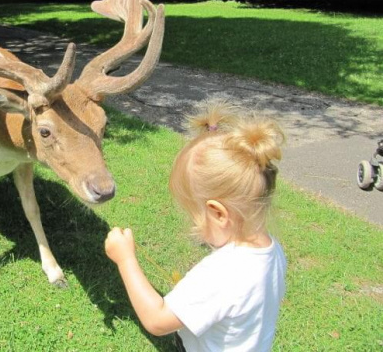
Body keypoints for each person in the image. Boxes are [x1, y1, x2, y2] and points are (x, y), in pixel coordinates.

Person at [105, 100, 287, 351]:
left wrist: (125, 259)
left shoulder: (222, 274)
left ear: (218, 213)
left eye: (194, 215)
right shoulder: (271, 250)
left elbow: (157, 320)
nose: (193, 224)